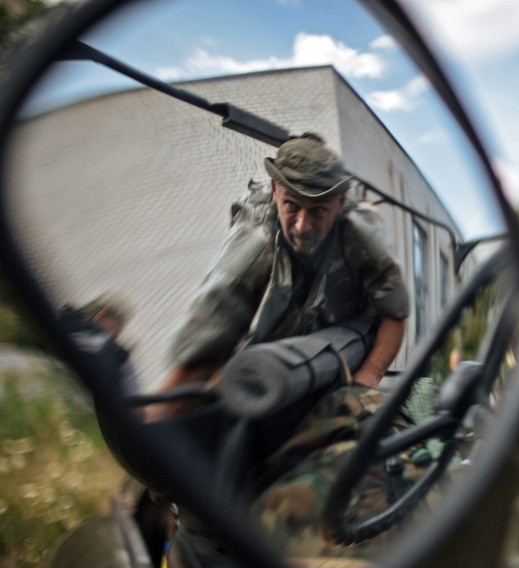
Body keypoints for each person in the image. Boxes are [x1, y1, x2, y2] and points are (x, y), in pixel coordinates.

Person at [147, 132, 409, 420]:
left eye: (318, 211)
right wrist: (153, 426)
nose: (302, 226)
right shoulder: (257, 239)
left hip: (346, 350)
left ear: (340, 202)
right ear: (274, 190)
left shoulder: (362, 233)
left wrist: (368, 377)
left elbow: (394, 312)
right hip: (274, 361)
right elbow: (206, 341)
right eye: (291, 206)